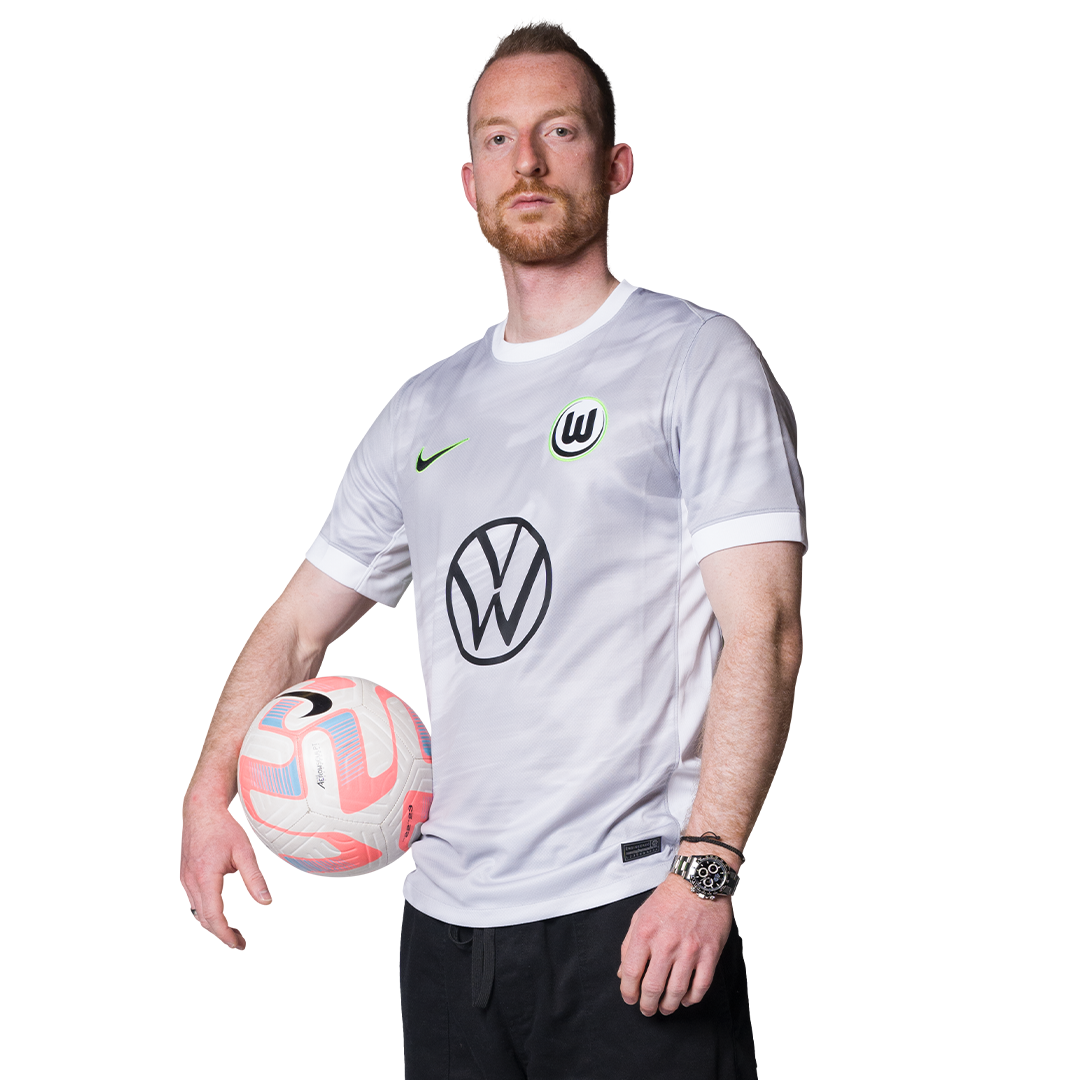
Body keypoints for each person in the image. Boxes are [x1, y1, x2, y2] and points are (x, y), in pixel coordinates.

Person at [181, 20, 804, 1079]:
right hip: (445, 932)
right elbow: (291, 629)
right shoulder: (423, 410)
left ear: (614, 165)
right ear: (468, 177)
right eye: (497, 138)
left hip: (633, 911)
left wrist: (705, 870)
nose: (527, 162)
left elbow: (769, 628)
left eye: (559, 131)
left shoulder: (695, 360)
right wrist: (209, 795)